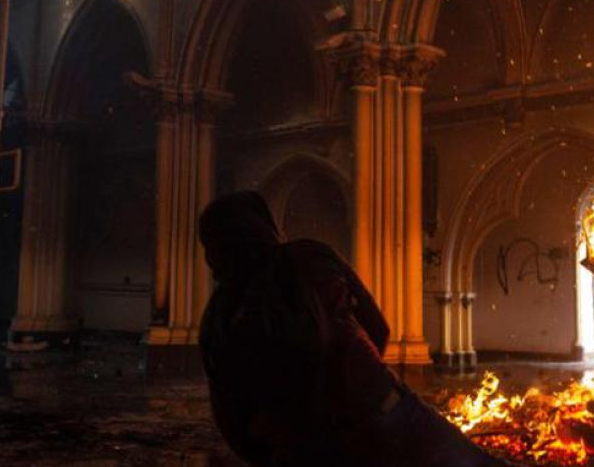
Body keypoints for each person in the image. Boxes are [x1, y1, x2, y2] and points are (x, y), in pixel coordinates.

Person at [198, 191, 513, 467]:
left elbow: (234, 421)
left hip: (304, 449)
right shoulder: (308, 255)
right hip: (382, 410)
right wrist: (356, 382)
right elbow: (378, 327)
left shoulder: (217, 317)